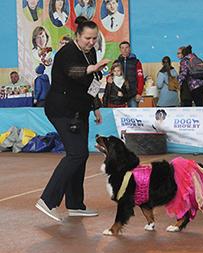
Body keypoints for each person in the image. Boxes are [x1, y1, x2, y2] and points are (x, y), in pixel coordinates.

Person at [35, 17, 110, 221]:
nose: (91, 42)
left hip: (80, 110)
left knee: (81, 154)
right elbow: (73, 72)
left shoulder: (91, 52)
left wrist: (95, 107)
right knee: (76, 154)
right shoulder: (66, 53)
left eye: (94, 38)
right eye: (87, 38)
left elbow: (90, 83)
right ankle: (48, 201)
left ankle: (75, 204)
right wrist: (91, 69)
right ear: (78, 36)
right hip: (61, 110)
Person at [115, 41, 144, 107]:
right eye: (122, 48)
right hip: (120, 94)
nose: (124, 50)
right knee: (120, 116)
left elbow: (140, 78)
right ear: (120, 50)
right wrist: (109, 78)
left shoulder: (136, 62)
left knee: (134, 115)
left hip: (133, 95)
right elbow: (112, 75)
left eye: (126, 47)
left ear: (130, 49)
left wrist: (139, 93)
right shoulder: (116, 62)